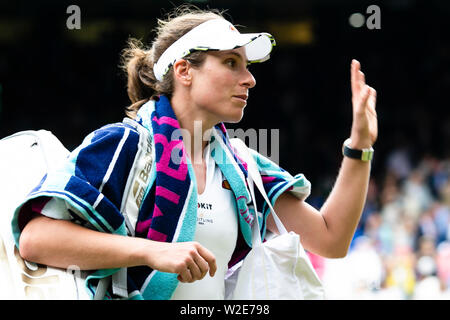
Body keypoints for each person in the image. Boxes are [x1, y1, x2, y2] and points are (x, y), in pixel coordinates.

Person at [12, 6, 378, 300]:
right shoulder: (121, 144)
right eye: (231, 63)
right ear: (184, 70)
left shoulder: (244, 167)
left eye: (247, 66)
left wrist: (360, 146)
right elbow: (36, 239)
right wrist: (149, 251)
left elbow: (331, 239)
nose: (249, 79)